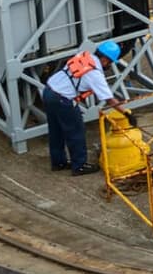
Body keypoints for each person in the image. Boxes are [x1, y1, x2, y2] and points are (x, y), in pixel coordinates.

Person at [43, 40, 125, 175]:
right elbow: (109, 99)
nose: (109, 66)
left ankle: (58, 162)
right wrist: (126, 113)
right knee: (76, 131)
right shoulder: (95, 74)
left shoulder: (84, 55)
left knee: (56, 130)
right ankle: (79, 165)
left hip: (49, 91)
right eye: (110, 63)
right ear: (105, 60)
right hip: (63, 99)